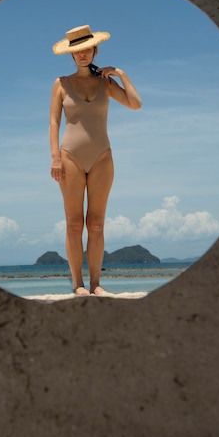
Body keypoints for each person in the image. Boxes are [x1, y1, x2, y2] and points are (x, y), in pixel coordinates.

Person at [49, 24, 142, 296]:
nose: (82, 54)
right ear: (71, 55)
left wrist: (121, 74)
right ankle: (78, 284)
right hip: (69, 158)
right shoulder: (61, 83)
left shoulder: (105, 82)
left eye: (87, 49)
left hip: (103, 157)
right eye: (76, 51)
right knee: (74, 223)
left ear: (95, 50)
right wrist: (55, 157)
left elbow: (135, 104)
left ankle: (96, 284)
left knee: (97, 224)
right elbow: (54, 122)